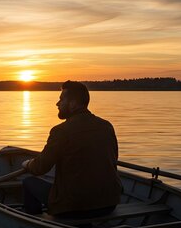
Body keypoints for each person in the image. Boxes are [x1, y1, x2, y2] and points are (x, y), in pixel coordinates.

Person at [21, 81, 122, 219]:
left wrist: (27, 164)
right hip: (109, 204)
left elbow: (40, 168)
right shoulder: (106, 126)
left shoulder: (60, 132)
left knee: (28, 182)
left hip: (73, 208)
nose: (57, 103)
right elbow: (113, 158)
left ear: (74, 104)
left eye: (61, 99)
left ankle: (34, 225)